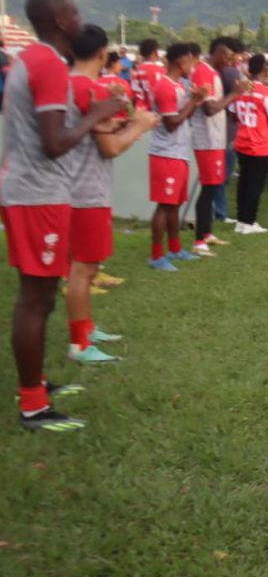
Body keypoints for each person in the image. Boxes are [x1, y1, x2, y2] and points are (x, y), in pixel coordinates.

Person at [2, 0, 125, 431]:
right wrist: (100, 113)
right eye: (74, 11)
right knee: (35, 300)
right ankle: (33, 406)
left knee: (39, 297)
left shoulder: (29, 59)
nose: (80, 18)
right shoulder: (49, 64)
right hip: (37, 194)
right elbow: (55, 144)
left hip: (27, 190)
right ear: (59, 20)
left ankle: (34, 386)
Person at [65, 25, 158, 363]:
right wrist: (139, 126)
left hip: (73, 186)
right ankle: (79, 344)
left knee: (85, 266)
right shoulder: (92, 89)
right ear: (103, 53)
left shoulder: (68, 83)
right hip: (85, 189)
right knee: (83, 268)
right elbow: (110, 148)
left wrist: (120, 123)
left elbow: (93, 131)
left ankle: (86, 329)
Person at [148, 43, 207, 271]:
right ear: (180, 62)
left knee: (174, 205)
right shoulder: (164, 87)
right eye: (191, 61)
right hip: (166, 154)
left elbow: (183, 115)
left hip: (178, 153)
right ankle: (156, 255)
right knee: (164, 205)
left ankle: (174, 249)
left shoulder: (178, 86)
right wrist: (194, 102)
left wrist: (196, 100)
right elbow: (171, 123)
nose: (193, 66)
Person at [189, 38, 245, 257]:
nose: (230, 60)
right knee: (209, 187)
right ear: (216, 53)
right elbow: (210, 108)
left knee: (213, 185)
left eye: (232, 57)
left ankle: (207, 233)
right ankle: (199, 241)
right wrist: (234, 94)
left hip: (215, 139)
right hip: (206, 140)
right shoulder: (203, 73)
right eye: (227, 56)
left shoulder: (213, 73)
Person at [232, 54, 268, 234]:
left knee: (243, 182)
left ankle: (240, 220)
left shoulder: (241, 90)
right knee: (255, 185)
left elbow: (232, 113)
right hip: (259, 145)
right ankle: (249, 222)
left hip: (242, 142)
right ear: (264, 70)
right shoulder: (266, 94)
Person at [213, 37, 246, 224]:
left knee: (220, 174)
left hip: (224, 129)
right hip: (227, 130)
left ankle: (218, 210)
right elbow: (239, 96)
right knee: (222, 175)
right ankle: (220, 212)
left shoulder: (219, 72)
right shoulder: (231, 72)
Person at [130, 38, 164, 110]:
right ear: (155, 52)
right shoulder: (160, 71)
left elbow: (133, 95)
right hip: (156, 111)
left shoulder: (135, 71)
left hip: (140, 110)